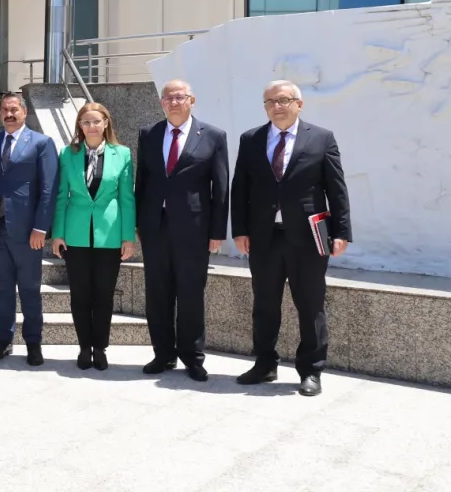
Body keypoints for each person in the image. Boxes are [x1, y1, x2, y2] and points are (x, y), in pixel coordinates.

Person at [231, 81, 351, 397]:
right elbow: (240, 187)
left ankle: (311, 370)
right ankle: (264, 364)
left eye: (283, 100)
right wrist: (239, 229)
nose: (276, 106)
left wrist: (341, 232)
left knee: (310, 305)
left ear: (299, 103)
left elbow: (336, 188)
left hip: (309, 237)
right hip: (264, 237)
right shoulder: (251, 139)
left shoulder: (322, 138)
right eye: (270, 101)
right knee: (264, 304)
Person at [135, 79, 229, 382]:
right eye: (168, 97)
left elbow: (221, 187)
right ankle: (163, 354)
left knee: (190, 294)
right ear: (161, 102)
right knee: (157, 293)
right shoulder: (148, 134)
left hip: (194, 229)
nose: (173, 102)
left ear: (192, 100)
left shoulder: (213, 135)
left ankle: (193, 357)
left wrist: (217, 231)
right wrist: (138, 223)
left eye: (179, 97)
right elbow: (142, 181)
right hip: (155, 227)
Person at [51, 103, 136, 371]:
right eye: (86, 122)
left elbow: (127, 198)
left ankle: (100, 347)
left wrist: (128, 237)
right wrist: (58, 233)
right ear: (80, 125)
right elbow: (61, 196)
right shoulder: (68, 154)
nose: (91, 126)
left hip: (109, 235)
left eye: (96, 121)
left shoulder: (122, 154)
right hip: (75, 235)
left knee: (103, 294)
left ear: (106, 123)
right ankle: (84, 347)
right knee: (80, 294)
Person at [0, 92, 58, 365]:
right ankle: (3, 340)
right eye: (5, 110)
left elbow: (49, 188)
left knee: (29, 290)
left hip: (28, 232)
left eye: (14, 109)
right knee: (3, 290)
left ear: (24, 112)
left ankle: (33, 343)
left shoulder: (41, 143)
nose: (9, 114)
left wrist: (41, 227)